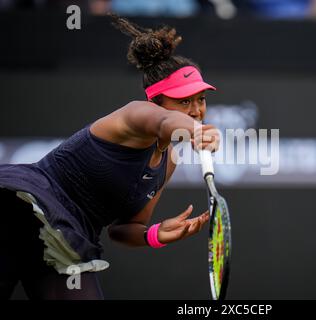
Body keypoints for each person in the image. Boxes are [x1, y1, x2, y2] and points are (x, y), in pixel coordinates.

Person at [0, 14, 220, 299]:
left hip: (64, 236)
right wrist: (195, 130)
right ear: (156, 102)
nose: (196, 109)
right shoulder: (136, 113)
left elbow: (124, 228)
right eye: (184, 101)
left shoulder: (168, 163)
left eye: (200, 99)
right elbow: (165, 122)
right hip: (20, 205)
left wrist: (155, 234)